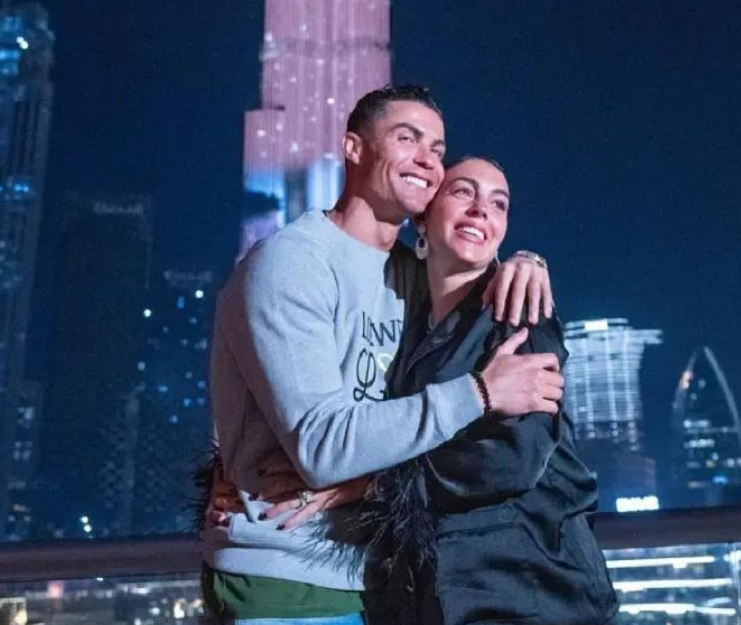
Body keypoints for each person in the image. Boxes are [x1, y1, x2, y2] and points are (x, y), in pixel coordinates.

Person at [200, 85, 564, 625]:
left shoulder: (416, 277)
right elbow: (323, 447)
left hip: (390, 578)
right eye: (407, 139)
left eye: (437, 149)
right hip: (289, 579)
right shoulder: (290, 265)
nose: (427, 159)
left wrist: (527, 261)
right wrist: (481, 392)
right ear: (353, 148)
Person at [358, 157, 618, 625]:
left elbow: (507, 461)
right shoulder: (406, 324)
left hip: (535, 593)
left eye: (499, 204)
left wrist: (368, 482)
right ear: (423, 219)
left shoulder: (518, 314)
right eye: (463, 192)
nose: (482, 210)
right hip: (438, 600)